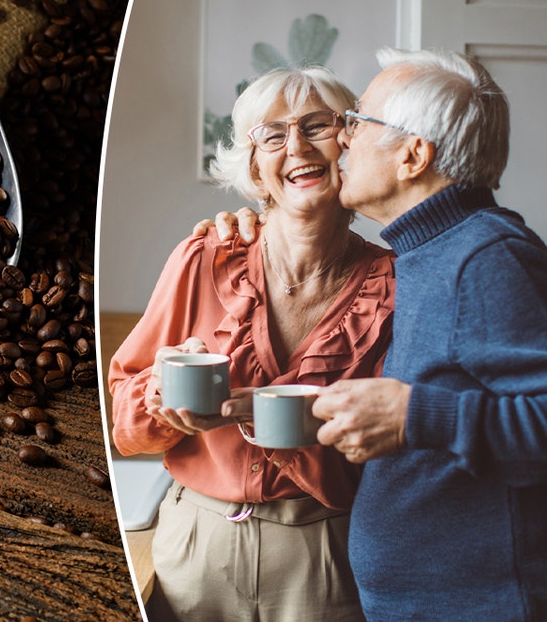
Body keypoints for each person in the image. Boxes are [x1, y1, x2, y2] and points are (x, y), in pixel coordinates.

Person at [107, 66, 395, 622]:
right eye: (272, 135)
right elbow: (125, 424)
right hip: (195, 543)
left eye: (317, 126)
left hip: (327, 551)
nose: (296, 147)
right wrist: (158, 396)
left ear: (350, 143)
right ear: (257, 169)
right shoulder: (204, 255)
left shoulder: (397, 283)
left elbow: (400, 452)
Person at [307, 48, 547, 620]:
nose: (342, 138)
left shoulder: (486, 257)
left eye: (359, 121)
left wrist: (419, 417)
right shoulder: (424, 252)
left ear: (414, 155)